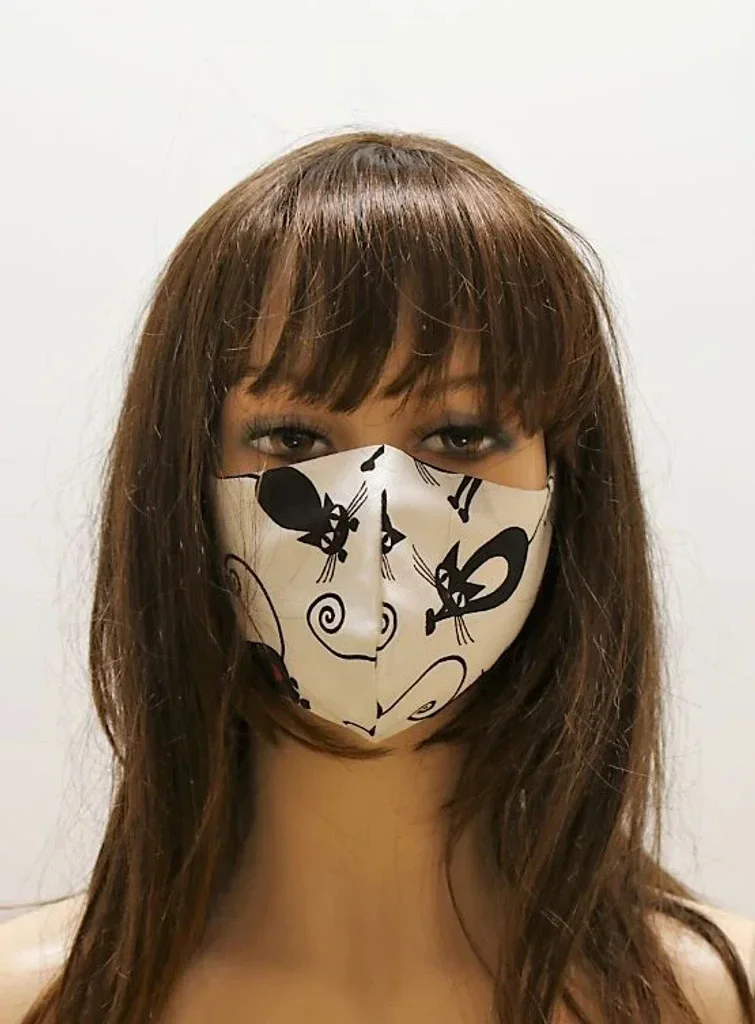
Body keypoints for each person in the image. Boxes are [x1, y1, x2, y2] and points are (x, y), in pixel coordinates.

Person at [0, 129, 753, 1024]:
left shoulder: (716, 1001)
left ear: (568, 485)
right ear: (181, 482)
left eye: (459, 435)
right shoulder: (31, 1001)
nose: (379, 508)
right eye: (293, 436)